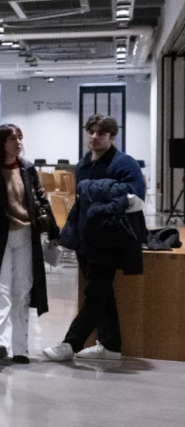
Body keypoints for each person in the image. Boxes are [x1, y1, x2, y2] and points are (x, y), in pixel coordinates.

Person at [44, 114, 145, 362]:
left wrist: (105, 205)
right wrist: (68, 235)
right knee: (102, 293)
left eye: (100, 133)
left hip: (110, 240)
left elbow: (136, 199)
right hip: (86, 240)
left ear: (112, 136)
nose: (94, 137)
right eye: (91, 132)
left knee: (95, 293)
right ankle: (110, 346)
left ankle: (71, 344)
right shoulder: (83, 165)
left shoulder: (124, 163)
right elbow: (81, 204)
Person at [0, 124, 51, 367]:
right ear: (0, 143)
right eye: (12, 138)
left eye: (20, 137)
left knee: (23, 289)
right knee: (0, 290)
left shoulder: (27, 168)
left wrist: (54, 230)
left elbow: (39, 199)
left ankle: (20, 347)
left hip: (27, 236)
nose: (18, 142)